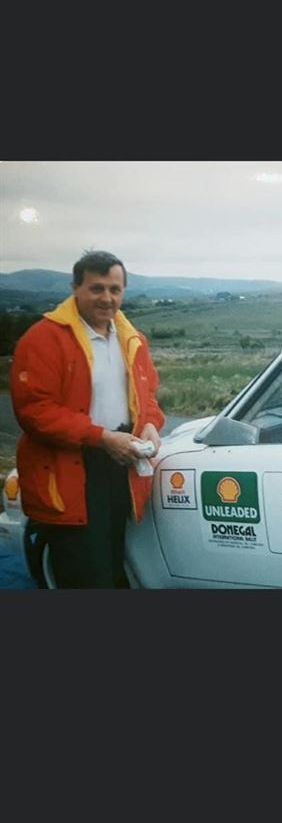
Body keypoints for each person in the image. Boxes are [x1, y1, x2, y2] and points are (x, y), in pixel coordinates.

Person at [10, 250, 165, 588]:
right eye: (97, 289)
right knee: (85, 575)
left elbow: (147, 394)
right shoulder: (44, 339)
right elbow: (35, 412)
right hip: (72, 471)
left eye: (115, 289)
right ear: (75, 288)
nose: (107, 298)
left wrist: (151, 423)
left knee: (115, 565)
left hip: (121, 464)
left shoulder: (131, 338)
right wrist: (101, 438)